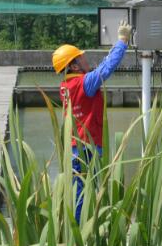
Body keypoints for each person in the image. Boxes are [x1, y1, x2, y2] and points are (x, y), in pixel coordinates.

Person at [53, 22, 131, 221]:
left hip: (75, 147)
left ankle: (80, 232)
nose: (86, 59)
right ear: (73, 65)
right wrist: (122, 42)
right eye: (82, 57)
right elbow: (106, 69)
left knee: (80, 192)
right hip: (87, 149)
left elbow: (102, 67)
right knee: (84, 195)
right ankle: (82, 236)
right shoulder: (83, 83)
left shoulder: (66, 85)